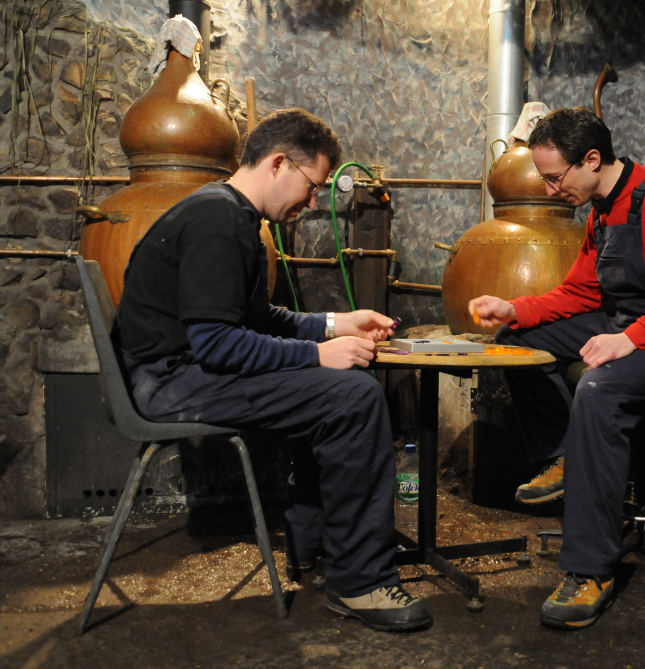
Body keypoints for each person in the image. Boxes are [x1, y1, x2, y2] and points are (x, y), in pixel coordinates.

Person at [111, 107, 432, 633]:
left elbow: (256, 321)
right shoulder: (217, 223)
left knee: (343, 387)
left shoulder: (229, 214)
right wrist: (318, 355)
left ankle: (314, 545)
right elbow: (218, 345)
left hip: (178, 373)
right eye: (313, 187)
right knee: (352, 397)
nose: (313, 203)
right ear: (279, 163)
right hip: (169, 383)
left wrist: (335, 323)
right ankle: (361, 581)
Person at [468, 106, 645, 630]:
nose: (550, 191)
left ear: (591, 160)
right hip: (627, 323)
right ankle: (566, 455)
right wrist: (517, 309)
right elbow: (580, 293)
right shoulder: (602, 210)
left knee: (598, 389)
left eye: (554, 178)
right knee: (515, 341)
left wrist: (629, 340)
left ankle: (590, 571)